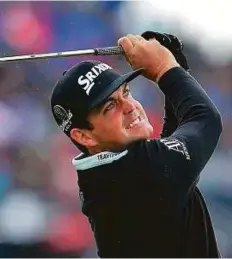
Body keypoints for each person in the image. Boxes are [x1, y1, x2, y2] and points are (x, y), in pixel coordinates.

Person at [50, 32, 223, 258]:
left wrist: (175, 65)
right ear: (84, 136)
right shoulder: (145, 171)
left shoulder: (105, 174)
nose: (130, 106)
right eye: (110, 106)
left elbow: (175, 161)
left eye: (126, 93)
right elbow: (205, 120)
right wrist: (164, 68)